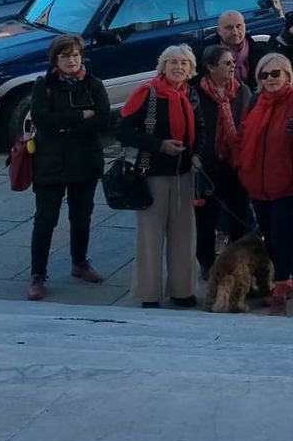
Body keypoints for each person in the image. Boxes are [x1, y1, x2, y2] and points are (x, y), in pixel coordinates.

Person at [26, 35, 110, 301]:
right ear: (55, 60)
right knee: (45, 220)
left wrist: (64, 124)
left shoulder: (93, 84)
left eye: (75, 55)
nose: (72, 60)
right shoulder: (43, 86)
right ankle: (38, 274)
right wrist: (79, 116)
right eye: (66, 56)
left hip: (85, 162)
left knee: (82, 217)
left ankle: (80, 262)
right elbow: (41, 118)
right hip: (50, 165)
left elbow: (104, 119)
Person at [117, 45, 200, 309]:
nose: (178, 67)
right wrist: (159, 145)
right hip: (151, 173)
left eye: (184, 63)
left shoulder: (191, 94)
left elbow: (201, 128)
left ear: (190, 69)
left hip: (183, 174)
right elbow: (122, 130)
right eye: (173, 62)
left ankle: (182, 290)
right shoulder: (147, 93)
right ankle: (149, 295)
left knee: (184, 235)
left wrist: (197, 154)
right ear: (163, 66)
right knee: (150, 238)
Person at [238, 52, 293, 316]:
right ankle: (281, 275)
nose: (270, 79)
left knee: (281, 232)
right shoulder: (256, 100)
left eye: (275, 73)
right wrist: (242, 166)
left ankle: (281, 283)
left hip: (288, 184)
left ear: (288, 75)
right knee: (268, 232)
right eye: (264, 75)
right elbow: (244, 134)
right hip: (258, 181)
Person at [191, 44, 256, 284]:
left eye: (233, 63)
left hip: (235, 165)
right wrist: (193, 154)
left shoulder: (242, 91)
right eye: (227, 63)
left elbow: (249, 125)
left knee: (240, 214)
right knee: (205, 220)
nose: (232, 67)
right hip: (207, 167)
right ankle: (206, 263)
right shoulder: (195, 93)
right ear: (210, 67)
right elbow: (191, 129)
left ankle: (237, 262)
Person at [198, 10, 267, 89]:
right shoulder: (203, 57)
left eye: (238, 26)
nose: (235, 32)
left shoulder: (262, 54)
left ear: (245, 27)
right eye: (229, 28)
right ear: (219, 31)